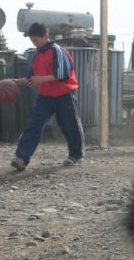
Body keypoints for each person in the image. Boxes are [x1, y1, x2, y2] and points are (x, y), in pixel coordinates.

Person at [11, 22, 84, 171]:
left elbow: (62, 74)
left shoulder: (57, 50)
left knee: (70, 125)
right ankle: (22, 158)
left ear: (46, 36)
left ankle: (75, 155)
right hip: (45, 96)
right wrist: (15, 82)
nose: (34, 43)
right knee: (34, 125)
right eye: (32, 41)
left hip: (64, 94)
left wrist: (41, 79)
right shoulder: (37, 56)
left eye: (36, 40)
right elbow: (32, 78)